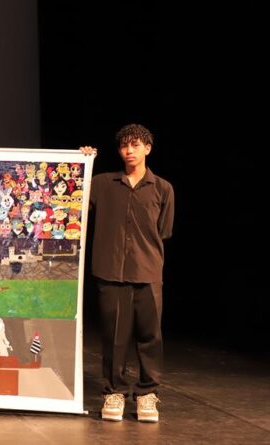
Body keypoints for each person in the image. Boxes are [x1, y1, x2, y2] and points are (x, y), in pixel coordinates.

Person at [82, 123, 175, 423]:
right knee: (114, 337)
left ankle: (148, 393)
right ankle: (115, 391)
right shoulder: (101, 183)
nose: (129, 151)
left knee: (150, 336)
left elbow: (164, 231)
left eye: (135, 145)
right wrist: (82, 163)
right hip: (111, 271)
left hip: (147, 271)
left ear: (147, 148)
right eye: (124, 146)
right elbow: (72, 194)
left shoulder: (162, 188)